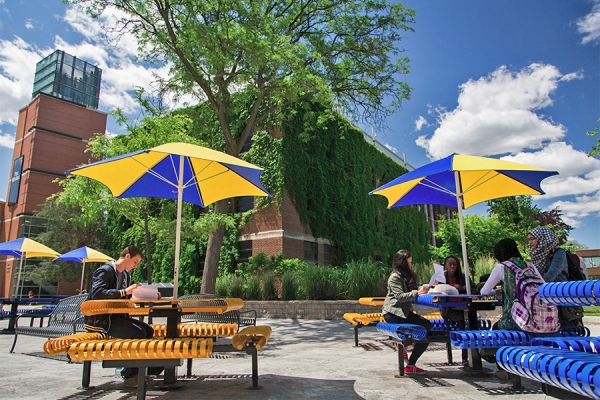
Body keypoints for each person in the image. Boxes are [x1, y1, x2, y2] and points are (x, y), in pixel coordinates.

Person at [85, 245, 161, 386]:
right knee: (138, 334)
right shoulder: (105, 271)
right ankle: (129, 375)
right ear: (127, 256)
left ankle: (142, 371)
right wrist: (124, 292)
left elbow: (126, 296)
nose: (135, 266)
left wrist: (146, 294)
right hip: (101, 322)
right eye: (135, 262)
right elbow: (97, 294)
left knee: (148, 331)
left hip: (117, 318)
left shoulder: (125, 275)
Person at [479, 238, 524, 380]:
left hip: (515, 319)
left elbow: (484, 292)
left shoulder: (502, 267)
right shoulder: (529, 265)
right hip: (536, 319)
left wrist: (499, 290)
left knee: (498, 328)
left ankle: (503, 368)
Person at [382, 250, 431, 375]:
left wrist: (427, 287)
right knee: (426, 327)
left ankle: (406, 347)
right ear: (402, 263)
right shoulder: (395, 277)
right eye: (408, 263)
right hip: (393, 313)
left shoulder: (404, 276)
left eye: (411, 263)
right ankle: (411, 363)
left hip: (401, 312)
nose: (410, 265)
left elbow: (411, 292)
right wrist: (418, 292)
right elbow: (399, 296)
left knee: (425, 325)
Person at [528, 226, 583, 326]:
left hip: (562, 296)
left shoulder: (559, 253)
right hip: (548, 296)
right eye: (529, 239)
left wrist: (533, 288)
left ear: (543, 238)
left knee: (569, 329)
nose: (530, 242)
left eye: (532, 239)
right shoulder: (538, 256)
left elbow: (551, 274)